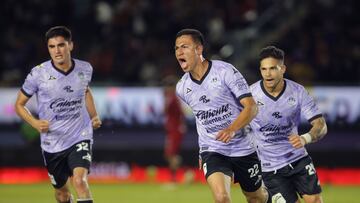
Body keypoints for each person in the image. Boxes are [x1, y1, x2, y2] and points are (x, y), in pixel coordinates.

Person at [175, 28, 271, 203]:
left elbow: (251, 107)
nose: (179, 52)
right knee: (221, 198)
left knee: (256, 198)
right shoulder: (182, 87)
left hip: (243, 147)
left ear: (198, 49)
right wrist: (201, 152)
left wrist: (232, 129)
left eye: (184, 46)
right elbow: (200, 118)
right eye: (176, 48)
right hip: (213, 149)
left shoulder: (224, 71)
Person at [15, 26, 101, 203]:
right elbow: (19, 105)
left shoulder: (85, 68)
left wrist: (94, 115)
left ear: (70, 45)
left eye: (61, 45)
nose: (57, 51)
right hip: (52, 142)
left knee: (80, 181)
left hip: (80, 134)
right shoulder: (38, 74)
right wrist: (35, 123)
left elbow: (85, 90)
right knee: (62, 194)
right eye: (52, 47)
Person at [249, 46, 327, 203]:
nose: (268, 73)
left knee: (315, 201)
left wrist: (306, 138)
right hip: (270, 169)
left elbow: (321, 124)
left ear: (283, 69)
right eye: (264, 69)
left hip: (298, 160)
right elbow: (238, 128)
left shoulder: (297, 92)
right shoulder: (251, 95)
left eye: (273, 68)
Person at [162, 75, 186, 183]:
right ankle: (181, 174)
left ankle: (176, 177)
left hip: (175, 130)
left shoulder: (172, 98)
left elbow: (165, 110)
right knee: (170, 154)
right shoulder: (173, 97)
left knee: (171, 154)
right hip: (173, 129)